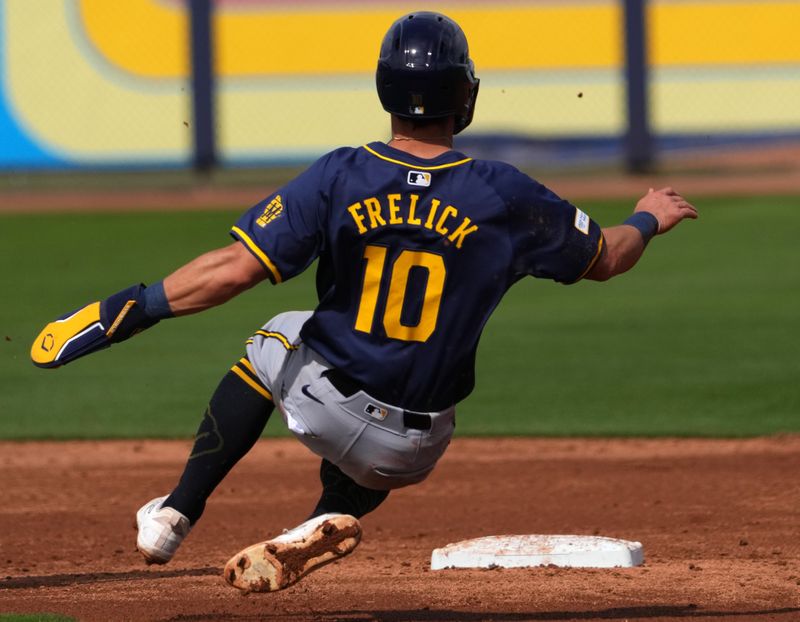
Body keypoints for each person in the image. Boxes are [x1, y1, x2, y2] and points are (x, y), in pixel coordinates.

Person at [31, 11, 697, 593]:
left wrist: (125, 311)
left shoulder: (342, 174)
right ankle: (326, 512)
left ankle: (174, 513)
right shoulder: (503, 193)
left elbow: (233, 270)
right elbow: (606, 258)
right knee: (403, 408)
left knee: (276, 334)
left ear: (385, 88)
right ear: (464, 95)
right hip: (415, 446)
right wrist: (646, 218)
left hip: (331, 402)